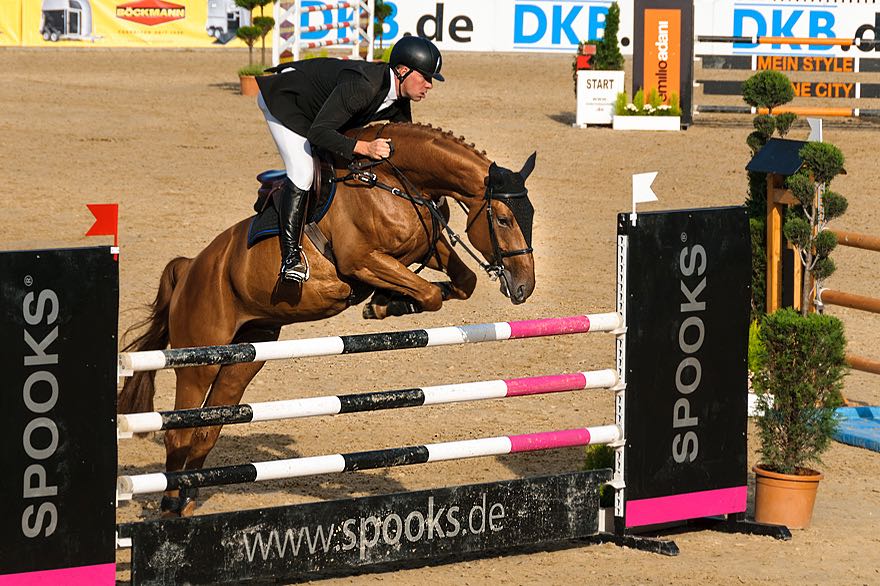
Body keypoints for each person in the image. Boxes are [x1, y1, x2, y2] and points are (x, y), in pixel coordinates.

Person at [256, 36, 444, 283]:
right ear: (401, 71)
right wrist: (364, 147)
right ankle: (290, 259)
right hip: (287, 100)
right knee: (303, 171)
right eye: (425, 77)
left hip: (318, 109)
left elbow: (405, 147)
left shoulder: (398, 98)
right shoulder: (363, 86)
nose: (429, 85)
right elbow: (319, 132)